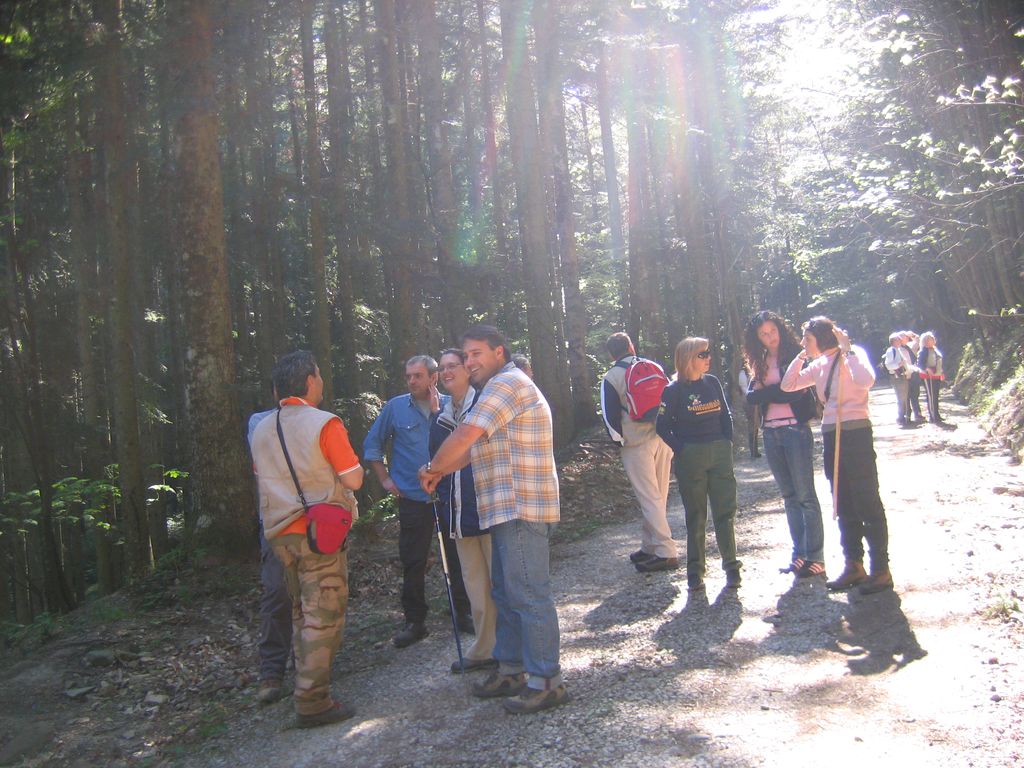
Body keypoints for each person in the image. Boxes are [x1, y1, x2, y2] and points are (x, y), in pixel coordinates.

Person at [419, 325, 568, 714]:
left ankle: (547, 681)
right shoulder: (495, 389)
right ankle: (512, 670)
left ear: (499, 352)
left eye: (476, 354)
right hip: (504, 508)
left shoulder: (506, 384)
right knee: (505, 592)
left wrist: (433, 468)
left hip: (522, 505)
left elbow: (465, 436)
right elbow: (471, 452)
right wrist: (438, 471)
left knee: (528, 594)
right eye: (466, 355)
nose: (469, 362)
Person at [249, 351, 364, 728]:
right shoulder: (324, 423)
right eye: (319, 375)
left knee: (300, 611)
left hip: (278, 534)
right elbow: (353, 478)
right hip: (318, 533)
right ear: (310, 381)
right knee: (323, 614)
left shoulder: (260, 429)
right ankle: (313, 702)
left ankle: (304, 687)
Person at [364, 355, 472, 648]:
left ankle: (463, 612)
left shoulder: (452, 404)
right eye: (408, 376)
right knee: (413, 559)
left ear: (433, 378)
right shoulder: (396, 407)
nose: (411, 381)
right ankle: (415, 621)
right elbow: (372, 445)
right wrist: (386, 480)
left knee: (457, 554)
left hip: (448, 493)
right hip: (412, 496)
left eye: (418, 376)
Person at [781, 317, 894, 594]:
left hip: (856, 432)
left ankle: (881, 569)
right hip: (832, 434)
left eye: (807, 339)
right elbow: (788, 385)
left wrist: (848, 348)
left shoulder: (852, 356)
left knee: (867, 498)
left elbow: (866, 381)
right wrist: (801, 356)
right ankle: (854, 565)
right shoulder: (818, 364)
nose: (803, 343)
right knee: (841, 500)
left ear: (822, 338)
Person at [429, 348, 498, 673]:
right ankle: (485, 648)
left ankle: (511, 648)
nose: (446, 372)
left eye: (453, 366)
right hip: (457, 514)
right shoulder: (439, 417)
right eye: (442, 368)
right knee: (475, 587)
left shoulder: (484, 404)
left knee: (500, 584)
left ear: (468, 370)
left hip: (489, 508)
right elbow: (435, 464)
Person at [743, 311, 826, 579]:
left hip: (795, 430)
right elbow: (752, 397)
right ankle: (798, 555)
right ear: (757, 338)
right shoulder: (759, 360)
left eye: (772, 331)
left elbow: (795, 392)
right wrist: (777, 391)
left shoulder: (795, 356)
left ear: (780, 329)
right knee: (789, 497)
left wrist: (770, 393)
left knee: (805, 496)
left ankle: (816, 557)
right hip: (771, 432)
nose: (770, 337)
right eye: (763, 334)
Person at [655, 337, 741, 592]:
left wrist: (726, 441)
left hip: (719, 452)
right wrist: (682, 449)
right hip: (691, 457)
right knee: (696, 516)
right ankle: (695, 573)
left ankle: (732, 567)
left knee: (725, 512)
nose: (708, 358)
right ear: (688, 359)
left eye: (708, 353)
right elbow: (662, 426)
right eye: (702, 354)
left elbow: (725, 414)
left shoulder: (712, 382)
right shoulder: (673, 390)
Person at [600, 332, 678, 572]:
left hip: (636, 443)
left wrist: (619, 442)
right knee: (658, 495)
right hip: (662, 437)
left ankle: (666, 551)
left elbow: (609, 416)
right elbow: (671, 397)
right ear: (631, 346)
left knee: (649, 497)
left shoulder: (611, 377)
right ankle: (650, 545)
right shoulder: (653, 366)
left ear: (611, 354)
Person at [248, 407, 293, 705]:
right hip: (277, 522)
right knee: (278, 592)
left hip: (315, 521)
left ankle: (311, 664)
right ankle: (272, 670)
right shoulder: (259, 422)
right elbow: (264, 463)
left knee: (314, 593)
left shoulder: (318, 420)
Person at [883, 332, 916, 428]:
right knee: (901, 398)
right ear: (894, 341)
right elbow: (888, 365)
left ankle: (905, 418)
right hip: (897, 377)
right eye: (898, 339)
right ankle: (901, 418)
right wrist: (899, 365)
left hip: (902, 376)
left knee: (904, 397)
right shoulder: (891, 351)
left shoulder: (897, 350)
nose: (900, 341)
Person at [917, 331, 946, 423]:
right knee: (931, 395)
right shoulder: (923, 351)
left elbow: (939, 362)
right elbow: (920, 364)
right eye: (930, 339)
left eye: (932, 339)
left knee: (936, 395)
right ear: (925, 341)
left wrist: (941, 373)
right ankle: (932, 416)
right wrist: (927, 369)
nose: (932, 340)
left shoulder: (935, 350)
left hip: (936, 375)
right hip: (928, 376)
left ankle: (936, 415)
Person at [736, 365, 761, 458]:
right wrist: (752, 397)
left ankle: (755, 450)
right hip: (748, 402)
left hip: (754, 401)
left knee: (755, 425)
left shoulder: (751, 372)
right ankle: (753, 450)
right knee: (752, 426)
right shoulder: (742, 373)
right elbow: (744, 389)